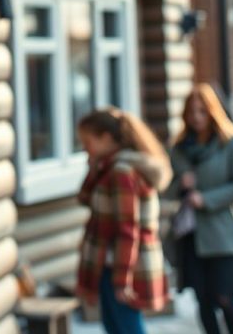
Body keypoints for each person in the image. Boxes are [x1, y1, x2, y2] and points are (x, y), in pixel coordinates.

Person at [166, 84, 233, 334]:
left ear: (212, 111)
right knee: (203, 300)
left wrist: (205, 199)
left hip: (222, 234)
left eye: (201, 111)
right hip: (192, 236)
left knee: (225, 297)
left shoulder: (231, 142)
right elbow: (167, 189)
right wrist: (180, 186)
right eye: (191, 112)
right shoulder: (180, 147)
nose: (196, 117)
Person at [76, 108, 173, 334]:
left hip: (122, 266)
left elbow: (128, 230)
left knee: (126, 327)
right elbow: (84, 198)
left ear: (106, 139)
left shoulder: (121, 173)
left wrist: (122, 279)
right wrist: (92, 169)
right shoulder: (107, 168)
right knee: (115, 326)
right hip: (112, 263)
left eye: (87, 141)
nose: (84, 148)